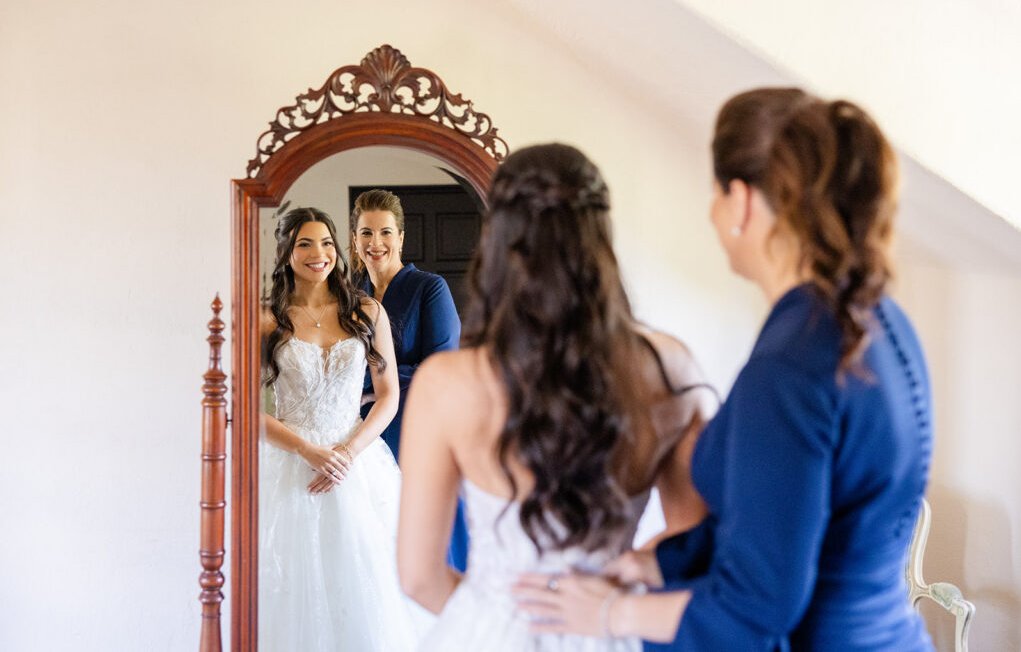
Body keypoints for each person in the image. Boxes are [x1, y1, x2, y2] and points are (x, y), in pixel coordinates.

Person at [514, 88, 935, 651]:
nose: (711, 212)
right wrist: (656, 564)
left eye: (714, 194)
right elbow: (785, 517)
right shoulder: (881, 319)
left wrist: (612, 613)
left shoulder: (790, 362)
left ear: (740, 202)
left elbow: (756, 608)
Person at [395, 143, 716, 651]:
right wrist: (616, 590)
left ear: (497, 241)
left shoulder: (447, 383)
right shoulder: (669, 366)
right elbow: (694, 544)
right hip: (607, 631)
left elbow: (419, 577)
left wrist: (501, 617)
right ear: (601, 237)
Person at [258, 206, 427, 651]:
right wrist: (306, 450)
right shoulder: (267, 318)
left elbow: (388, 396)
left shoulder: (367, 311)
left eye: (327, 243)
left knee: (370, 588)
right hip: (290, 464)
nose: (319, 253)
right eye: (305, 244)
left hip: (357, 464)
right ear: (286, 252)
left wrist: (347, 453)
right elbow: (239, 407)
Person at [351, 188, 469, 570]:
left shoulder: (429, 288)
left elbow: (443, 366)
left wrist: (379, 388)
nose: (376, 243)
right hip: (362, 431)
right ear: (354, 239)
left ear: (401, 238)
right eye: (366, 233)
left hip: (416, 429)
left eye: (385, 232)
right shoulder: (349, 297)